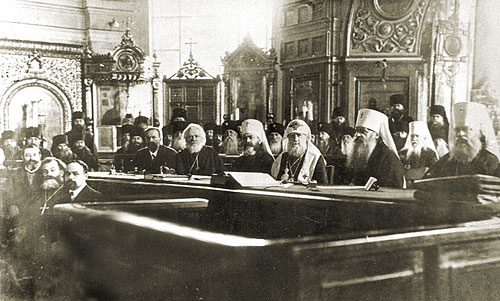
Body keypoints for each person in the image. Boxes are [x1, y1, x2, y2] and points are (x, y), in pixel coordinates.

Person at [424, 102, 500, 178]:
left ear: (479, 133)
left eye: (466, 129)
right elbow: (424, 182)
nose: (460, 134)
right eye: (457, 130)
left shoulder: (490, 161)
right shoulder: (445, 161)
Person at [343, 109, 404, 188]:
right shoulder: (358, 155)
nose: (357, 135)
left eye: (363, 132)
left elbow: (392, 190)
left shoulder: (388, 158)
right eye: (357, 131)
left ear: (377, 135)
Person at [271, 119, 328, 184]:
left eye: (299, 135)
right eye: (292, 136)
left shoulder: (315, 158)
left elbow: (322, 186)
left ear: (306, 139)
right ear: (288, 139)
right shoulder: (282, 158)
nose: (295, 139)